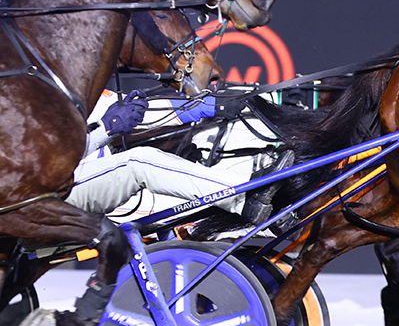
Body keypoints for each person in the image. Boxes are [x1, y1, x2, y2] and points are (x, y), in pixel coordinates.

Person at [67, 89, 293, 226]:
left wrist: (207, 106)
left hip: (76, 182)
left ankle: (274, 208)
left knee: (171, 174)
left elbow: (135, 111)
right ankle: (244, 198)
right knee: (139, 162)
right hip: (51, 194)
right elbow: (43, 163)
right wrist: (103, 131)